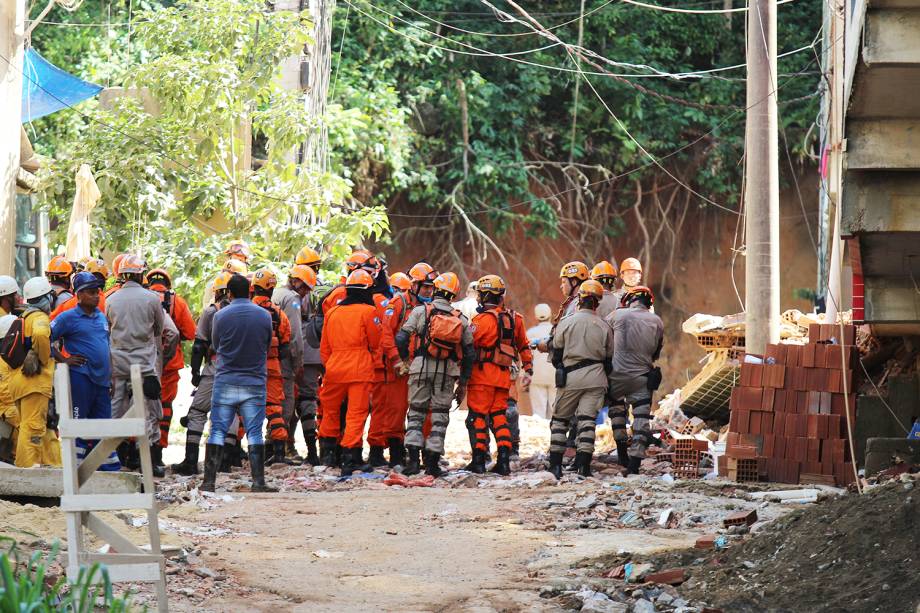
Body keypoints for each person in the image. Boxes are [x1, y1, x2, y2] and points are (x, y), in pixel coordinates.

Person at [201, 273, 276, 493]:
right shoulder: (264, 316)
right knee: (255, 432)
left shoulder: (220, 316)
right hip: (254, 381)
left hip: (226, 380)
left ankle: (209, 482)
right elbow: (266, 344)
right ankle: (258, 482)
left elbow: (216, 345)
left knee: (217, 431)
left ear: (230, 293)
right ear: (250, 291)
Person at [395, 272, 474, 476]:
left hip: (420, 367)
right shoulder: (460, 319)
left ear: (435, 290)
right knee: (439, 418)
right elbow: (469, 353)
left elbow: (401, 338)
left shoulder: (421, 311)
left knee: (416, 414)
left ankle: (413, 463)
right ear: (453, 295)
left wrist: (406, 361)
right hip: (446, 371)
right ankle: (432, 465)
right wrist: (463, 382)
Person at [106, 255, 177, 477]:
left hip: (117, 364)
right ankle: (149, 462)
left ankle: (114, 461)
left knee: (116, 410)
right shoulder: (151, 299)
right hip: (145, 365)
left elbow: (107, 329)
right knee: (149, 412)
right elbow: (162, 330)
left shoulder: (110, 300)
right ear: (140, 275)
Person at [49, 272, 121, 471]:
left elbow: (107, 347)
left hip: (102, 381)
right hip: (81, 378)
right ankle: (75, 471)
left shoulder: (101, 317)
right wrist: (64, 359)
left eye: (97, 291)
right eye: (91, 292)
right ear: (79, 295)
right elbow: (43, 338)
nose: (96, 296)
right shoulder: (68, 317)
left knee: (103, 425)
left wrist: (112, 376)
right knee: (79, 424)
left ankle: (107, 471)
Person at [317, 269, 383, 476]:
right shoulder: (369, 312)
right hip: (359, 369)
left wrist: (332, 365)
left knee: (330, 411)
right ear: (366, 290)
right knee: (356, 413)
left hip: (333, 369)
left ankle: (328, 455)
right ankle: (350, 458)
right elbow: (376, 342)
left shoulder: (332, 312)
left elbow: (324, 348)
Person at [466, 275, 533, 476]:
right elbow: (524, 345)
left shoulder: (480, 321)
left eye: (480, 294)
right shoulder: (515, 319)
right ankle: (504, 459)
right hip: (503, 378)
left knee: (478, 417)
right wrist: (528, 367)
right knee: (499, 417)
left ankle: (478, 461)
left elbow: (468, 347)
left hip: (481, 377)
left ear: (485, 296)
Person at [547, 280, 614, 478]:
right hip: (596, 379)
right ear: (597, 303)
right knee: (587, 422)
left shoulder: (566, 322)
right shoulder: (604, 325)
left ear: (579, 300)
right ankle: (584, 467)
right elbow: (609, 359)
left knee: (560, 421)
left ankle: (555, 466)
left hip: (571, 378)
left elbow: (556, 354)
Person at [172, 271, 232, 475]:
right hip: (239, 369)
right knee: (231, 412)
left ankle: (191, 461)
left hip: (215, 367)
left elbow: (199, 346)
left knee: (198, 411)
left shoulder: (211, 312)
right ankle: (225, 461)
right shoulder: (250, 312)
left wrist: (196, 372)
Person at [607, 286, 664, 474]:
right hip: (641, 378)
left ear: (628, 301)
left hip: (616, 376)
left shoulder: (616, 315)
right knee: (641, 419)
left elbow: (603, 337)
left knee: (617, 411)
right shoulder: (657, 321)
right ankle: (634, 465)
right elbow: (655, 353)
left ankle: (622, 453)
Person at [6, 277, 61, 467]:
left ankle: (52, 466)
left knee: (39, 428)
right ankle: (26, 471)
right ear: (46, 298)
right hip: (34, 384)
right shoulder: (39, 317)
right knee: (33, 429)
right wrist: (43, 358)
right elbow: (40, 334)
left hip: (20, 382)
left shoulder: (24, 317)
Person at [145, 268, 197, 467]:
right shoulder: (178, 302)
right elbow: (190, 333)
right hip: (170, 363)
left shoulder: (142, 299)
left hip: (144, 361)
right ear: (168, 284)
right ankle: (158, 452)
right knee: (165, 407)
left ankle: (137, 453)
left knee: (141, 406)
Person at [367, 260, 408, 468]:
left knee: (386, 409)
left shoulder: (372, 300)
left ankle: (382, 452)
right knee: (389, 409)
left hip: (381, 362)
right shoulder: (384, 302)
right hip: (384, 364)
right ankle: (388, 452)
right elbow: (386, 335)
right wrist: (395, 359)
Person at [251, 269, 294, 465]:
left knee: (244, 409)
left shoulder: (245, 310)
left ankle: (234, 456)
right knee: (275, 410)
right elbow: (285, 347)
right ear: (271, 288)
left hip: (249, 367)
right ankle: (278, 455)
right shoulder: (279, 314)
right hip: (272, 367)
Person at [272, 264, 314, 463]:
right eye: (305, 288)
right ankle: (277, 451)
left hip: (269, 358)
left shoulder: (276, 294)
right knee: (286, 405)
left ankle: (269, 448)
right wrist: (299, 364)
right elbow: (295, 336)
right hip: (285, 361)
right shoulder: (292, 299)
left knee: (271, 404)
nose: (305, 293)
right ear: (296, 282)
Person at [526, 304, 555, 419]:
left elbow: (526, 356)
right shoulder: (557, 331)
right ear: (550, 315)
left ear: (536, 316)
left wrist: (524, 375)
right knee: (555, 411)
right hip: (555, 375)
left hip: (536, 376)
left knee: (538, 412)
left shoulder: (530, 333)